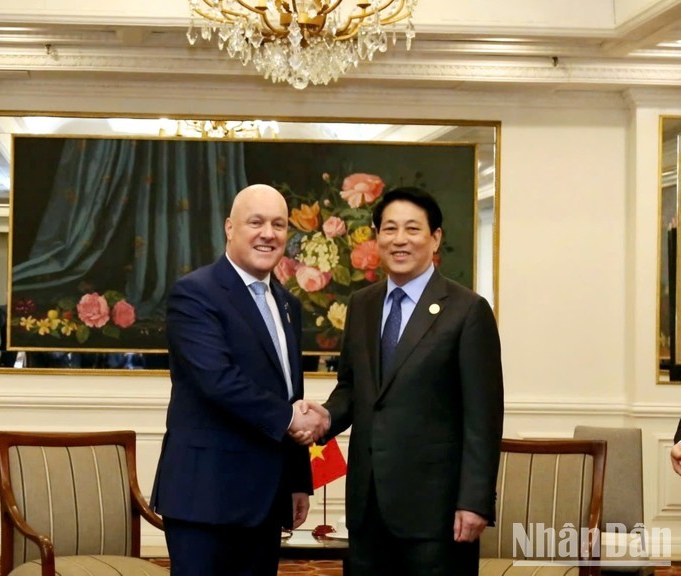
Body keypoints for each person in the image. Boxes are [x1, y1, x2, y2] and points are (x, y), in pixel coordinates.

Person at [307, 186, 504, 576]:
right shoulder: (362, 305)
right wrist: (325, 417)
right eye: (389, 229)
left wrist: (475, 501)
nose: (400, 240)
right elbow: (352, 387)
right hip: (368, 508)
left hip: (437, 514)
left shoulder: (467, 311)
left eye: (412, 229)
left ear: (435, 238)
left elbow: (483, 417)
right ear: (376, 237)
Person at [151, 184, 329, 576]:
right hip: (206, 497)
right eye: (256, 222)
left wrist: (299, 480)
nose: (269, 233)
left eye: (279, 224)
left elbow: (289, 392)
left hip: (265, 498)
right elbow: (217, 379)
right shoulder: (195, 293)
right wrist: (290, 419)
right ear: (230, 228)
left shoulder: (287, 304)